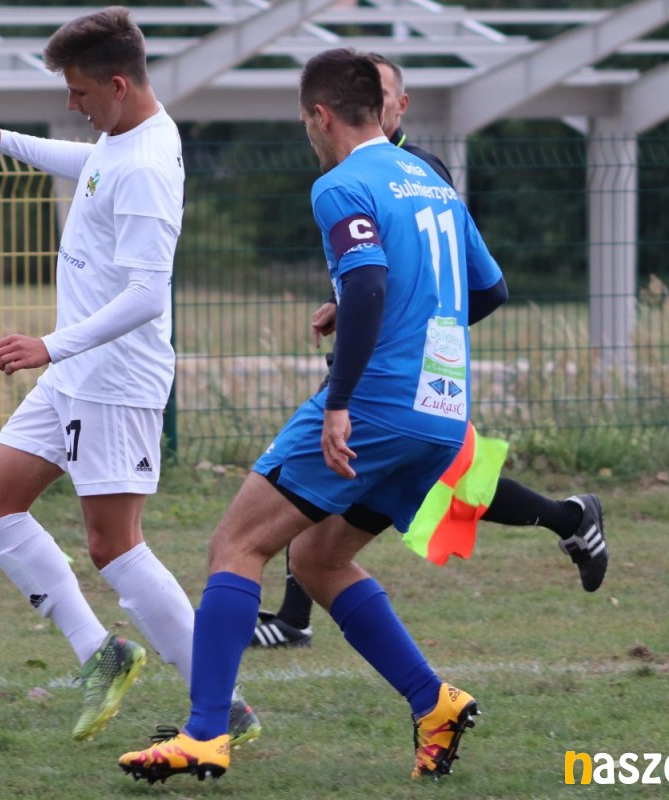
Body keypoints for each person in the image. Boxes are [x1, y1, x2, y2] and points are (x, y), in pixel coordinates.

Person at [119, 47, 506, 784]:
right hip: (442, 413)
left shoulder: (340, 183)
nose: (308, 134)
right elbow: (487, 291)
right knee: (318, 560)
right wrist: (397, 321)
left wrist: (340, 401)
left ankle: (204, 733)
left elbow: (367, 286)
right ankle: (434, 703)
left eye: (306, 123)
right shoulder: (428, 177)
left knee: (235, 545)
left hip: (378, 405)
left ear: (321, 116)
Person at [0, 6, 259, 746]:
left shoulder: (145, 168)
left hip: (113, 381)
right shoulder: (126, 137)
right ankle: (101, 654)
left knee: (116, 546)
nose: (72, 105)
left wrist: (50, 345)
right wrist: (0, 140)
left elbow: (147, 295)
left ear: (117, 85)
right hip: (76, 375)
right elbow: (91, 166)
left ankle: (225, 705)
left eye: (79, 92)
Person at [251, 53, 608, 651]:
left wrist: (404, 331)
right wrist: (347, 304)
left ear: (398, 105)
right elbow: (388, 275)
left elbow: (452, 282)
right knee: (368, 481)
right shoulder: (376, 172)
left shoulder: (416, 171)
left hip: (398, 375)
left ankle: (569, 518)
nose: (369, 102)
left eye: (381, 91)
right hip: (398, 372)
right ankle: (297, 615)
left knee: (432, 480)